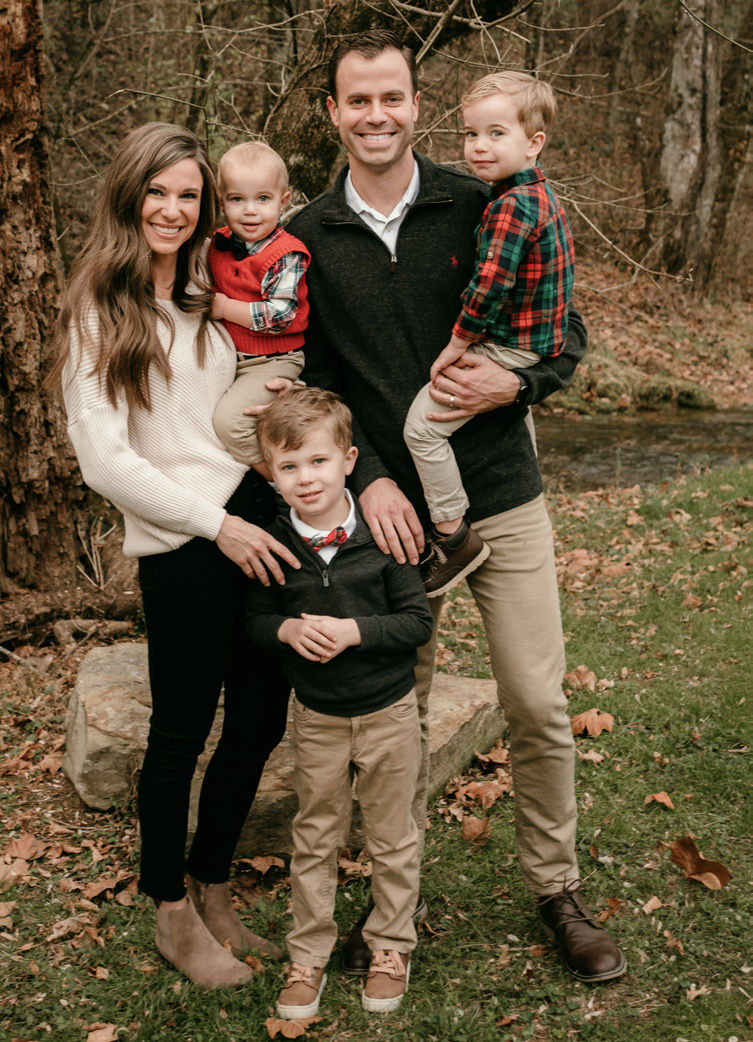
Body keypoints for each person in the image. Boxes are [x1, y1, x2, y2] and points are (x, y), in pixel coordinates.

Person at [285, 31, 626, 983]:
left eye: (392, 96)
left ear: (413, 103)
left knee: (536, 702)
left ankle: (556, 889)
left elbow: (564, 330)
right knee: (399, 720)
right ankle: (394, 909)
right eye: (358, 100)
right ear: (334, 113)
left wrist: (516, 391)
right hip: (392, 525)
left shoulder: (480, 201)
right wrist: (369, 482)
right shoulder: (309, 234)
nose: (377, 115)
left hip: (501, 498)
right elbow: (311, 380)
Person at [53, 122, 299, 988]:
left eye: (188, 194)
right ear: (128, 196)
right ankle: (169, 910)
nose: (172, 207)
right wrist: (213, 523)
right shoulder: (98, 308)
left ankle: (214, 883)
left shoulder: (207, 286)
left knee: (263, 718)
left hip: (257, 517)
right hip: (187, 545)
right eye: (157, 191)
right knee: (179, 734)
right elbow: (104, 460)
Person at [244, 387, 432, 1017]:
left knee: (392, 833)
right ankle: (308, 955)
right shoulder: (276, 544)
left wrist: (356, 632)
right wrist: (287, 630)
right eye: (288, 467)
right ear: (269, 473)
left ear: (349, 460)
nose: (305, 478)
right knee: (316, 834)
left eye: (318, 462)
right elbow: (254, 620)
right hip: (318, 717)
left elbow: (415, 623)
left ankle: (390, 944)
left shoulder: (381, 537)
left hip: (389, 712)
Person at [403, 72, 574, 594]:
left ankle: (454, 535)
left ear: (533, 142)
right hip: (534, 343)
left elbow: (485, 291)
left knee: (422, 429)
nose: (478, 146)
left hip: (506, 347)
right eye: (471, 133)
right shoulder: (541, 197)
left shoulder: (508, 207)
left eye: (496, 133)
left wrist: (456, 348)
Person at [209, 141, 310, 479]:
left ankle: (281, 485)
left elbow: (278, 316)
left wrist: (224, 307)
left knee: (230, 422)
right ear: (222, 201)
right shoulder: (217, 244)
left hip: (273, 359)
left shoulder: (286, 254)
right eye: (237, 199)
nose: (250, 211)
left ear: (283, 201)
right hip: (234, 356)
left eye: (262, 199)